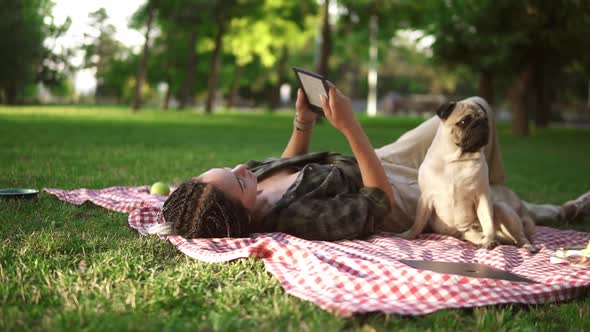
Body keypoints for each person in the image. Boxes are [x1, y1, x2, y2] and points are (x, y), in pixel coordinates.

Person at [149, 84, 589, 240]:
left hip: (373, 159)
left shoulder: (248, 186)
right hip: (394, 194)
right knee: (468, 191)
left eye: (233, 169)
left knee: (473, 108)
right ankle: (555, 210)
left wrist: (303, 124)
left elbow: (281, 166)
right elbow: (376, 200)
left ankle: (490, 190)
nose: (245, 171)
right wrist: (350, 126)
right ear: (245, 212)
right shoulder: (299, 219)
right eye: (240, 183)